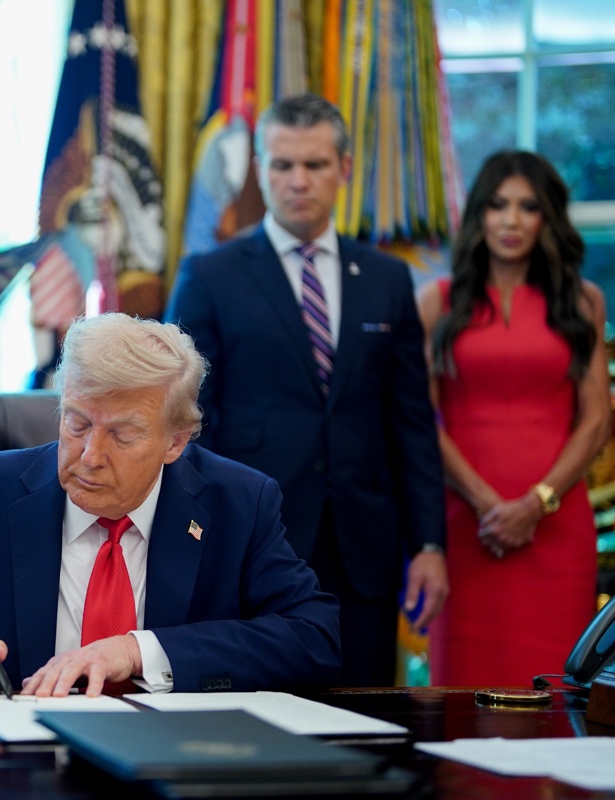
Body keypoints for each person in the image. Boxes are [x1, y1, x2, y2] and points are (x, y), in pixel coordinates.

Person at [0, 312, 341, 696]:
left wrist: (138, 651)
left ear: (175, 442)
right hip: (15, 760)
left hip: (169, 759)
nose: (91, 456)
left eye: (122, 434)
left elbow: (314, 638)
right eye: (76, 424)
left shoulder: (239, 503)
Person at [164, 93, 448, 687]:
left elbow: (412, 423)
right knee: (256, 718)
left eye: (314, 164)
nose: (298, 181)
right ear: (260, 169)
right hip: (249, 541)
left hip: (364, 551)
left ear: (344, 168)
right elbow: (185, 421)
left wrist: (429, 543)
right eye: (282, 165)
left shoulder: (387, 278)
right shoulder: (210, 276)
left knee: (365, 715)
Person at [417, 151, 610, 686]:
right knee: (463, 692)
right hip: (466, 527)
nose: (511, 220)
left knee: (555, 690)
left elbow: (597, 421)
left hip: (556, 527)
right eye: (498, 205)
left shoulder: (583, 302)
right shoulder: (436, 303)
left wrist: (535, 504)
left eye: (528, 207)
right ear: (479, 213)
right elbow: (421, 419)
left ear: (548, 219)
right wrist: (488, 506)